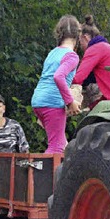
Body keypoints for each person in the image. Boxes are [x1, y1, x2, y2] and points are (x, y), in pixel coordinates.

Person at [31, 15, 81, 153]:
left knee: (62, 144)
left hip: (38, 101)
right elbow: (58, 77)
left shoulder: (53, 53)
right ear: (78, 35)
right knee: (57, 148)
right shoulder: (72, 56)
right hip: (52, 103)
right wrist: (70, 102)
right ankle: (45, 175)